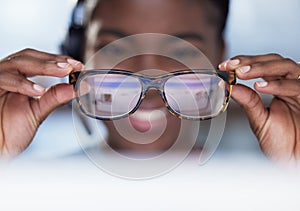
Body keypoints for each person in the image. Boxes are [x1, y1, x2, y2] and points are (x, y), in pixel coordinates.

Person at [0, 0, 299, 165]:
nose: (149, 79)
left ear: (219, 60)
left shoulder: (265, 186)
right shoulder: (30, 185)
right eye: (116, 48)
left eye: (180, 51)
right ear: (78, 56)